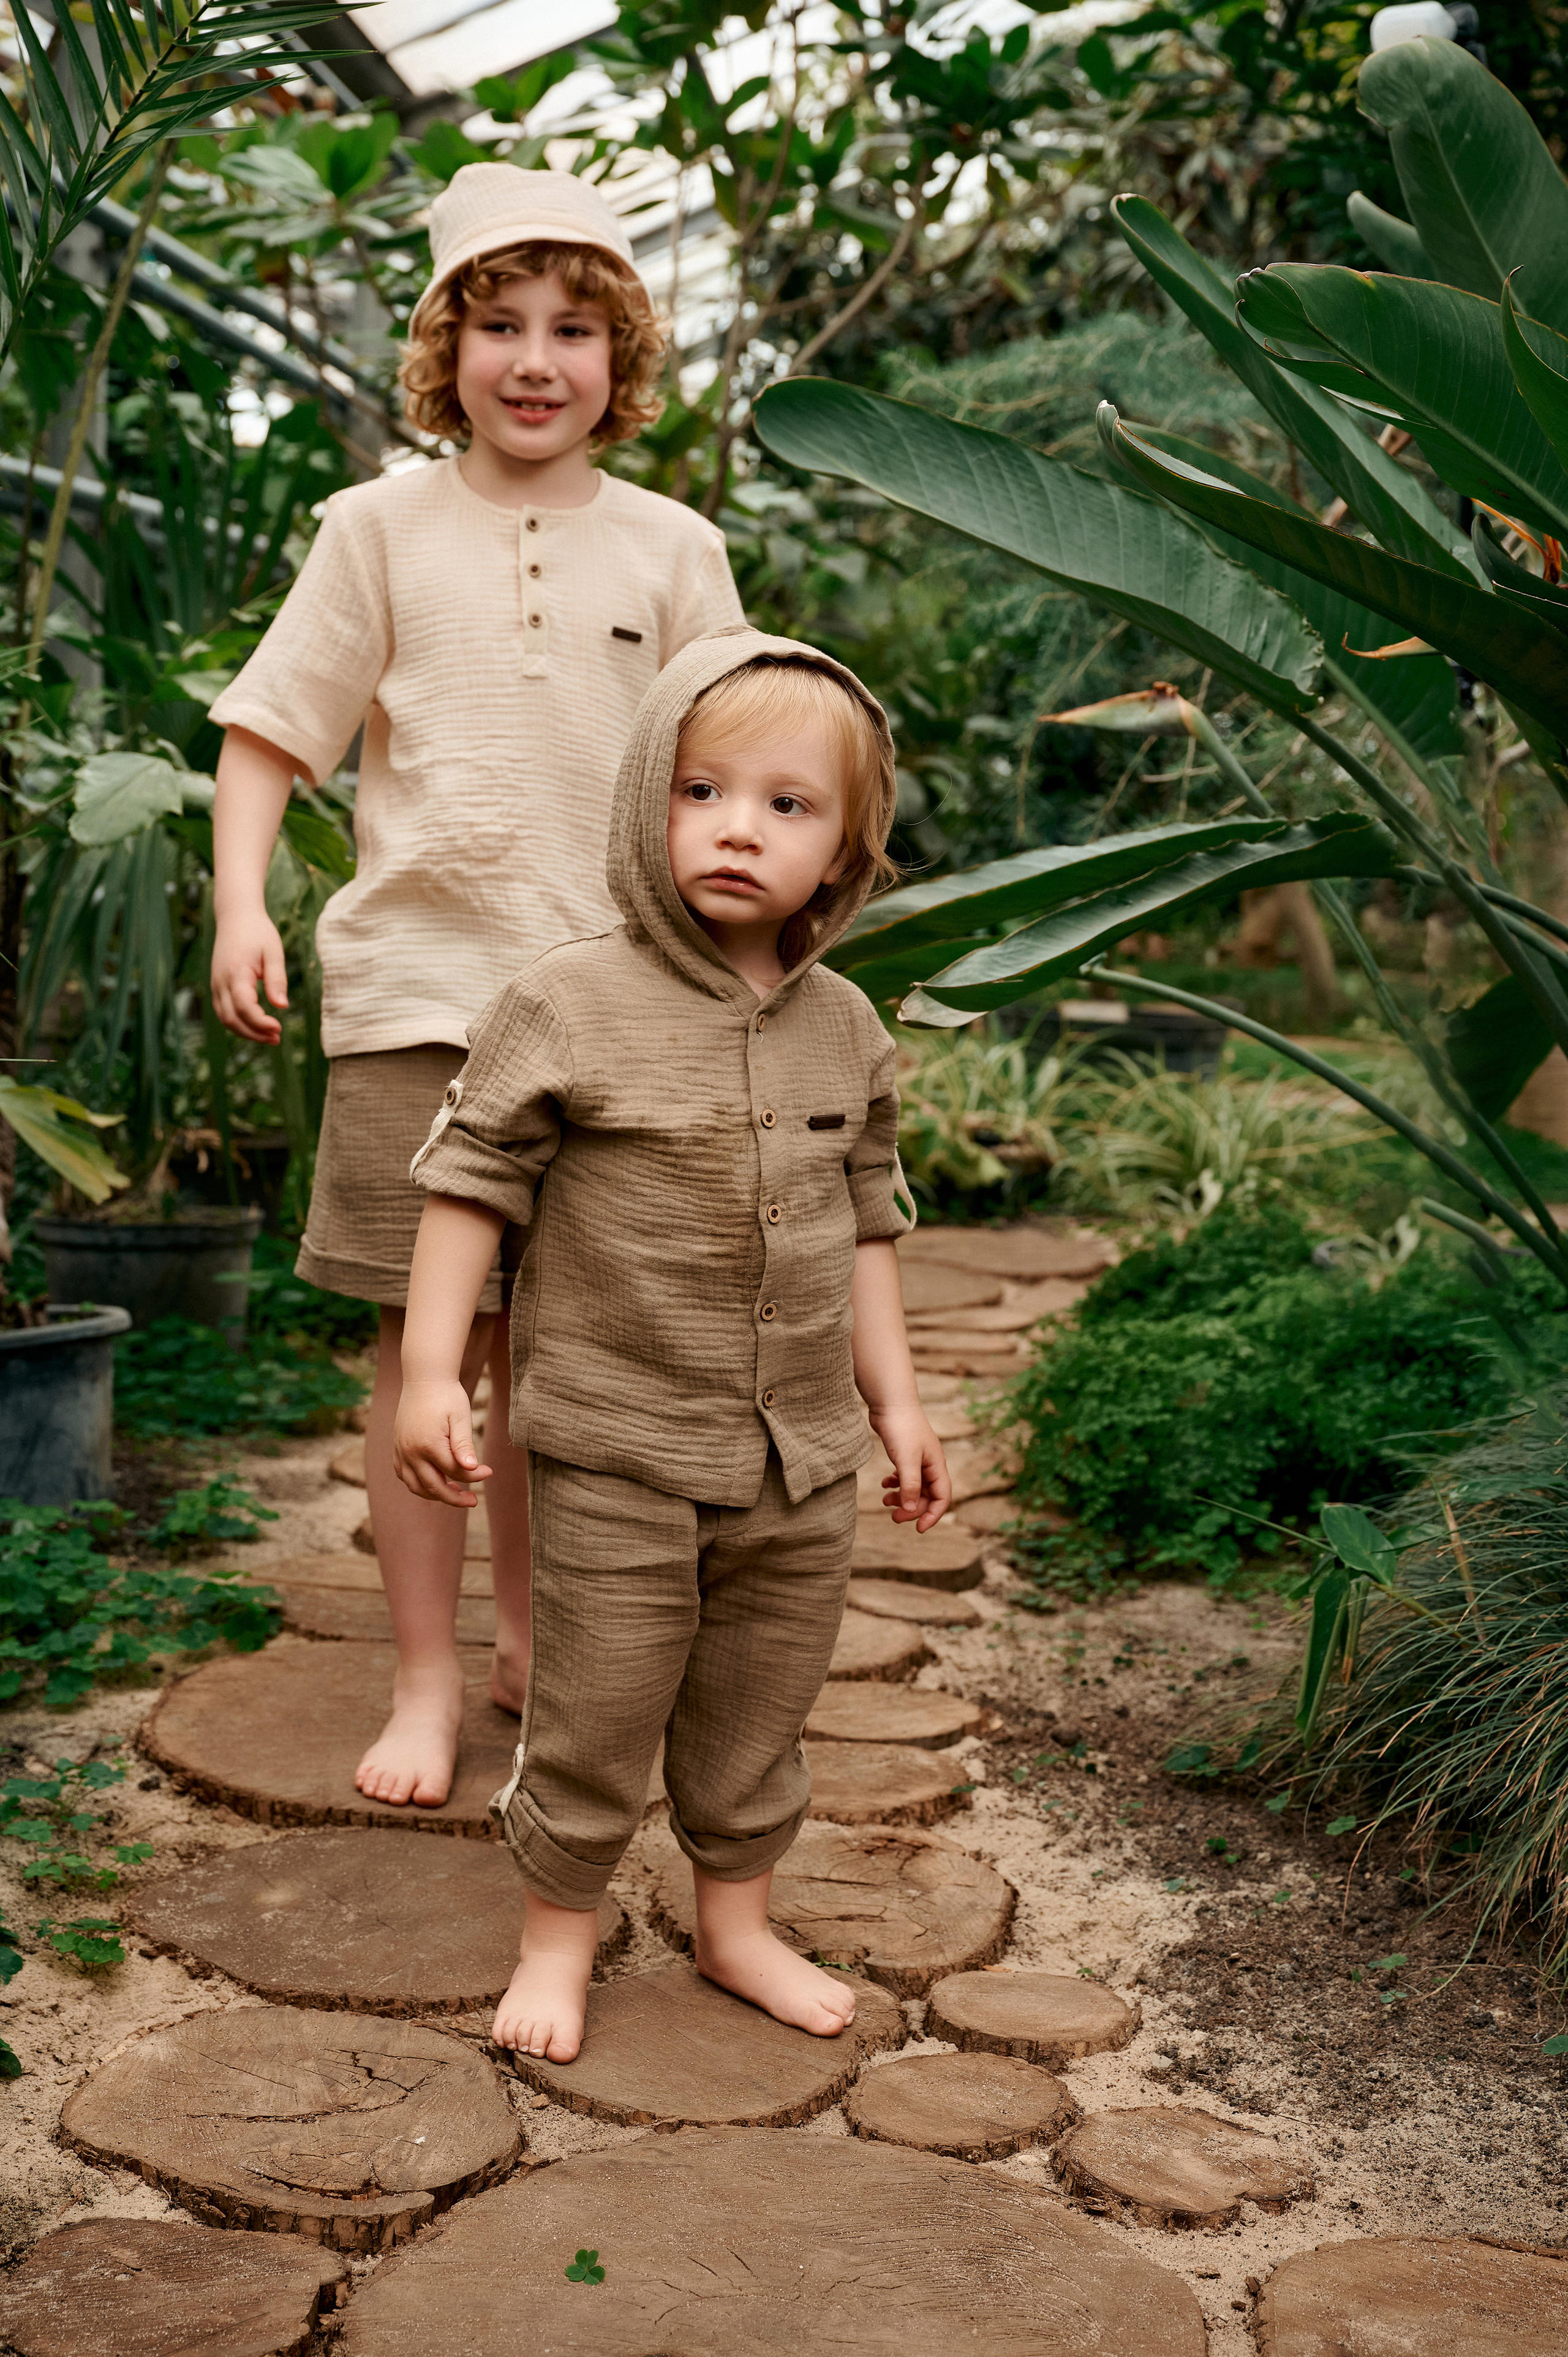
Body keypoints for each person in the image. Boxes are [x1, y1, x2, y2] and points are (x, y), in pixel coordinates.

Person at [206, 166, 745, 1813]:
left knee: (558, 1362)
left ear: (620, 353)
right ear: (445, 345)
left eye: (574, 328)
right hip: (418, 1003)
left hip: (612, 1012)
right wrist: (241, 904)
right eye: (498, 323)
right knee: (425, 1355)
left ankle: (526, 1639)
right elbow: (269, 733)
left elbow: (731, 759)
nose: (534, 360)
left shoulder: (675, 547)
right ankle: (425, 1678)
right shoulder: (374, 529)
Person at [394, 629, 951, 2062]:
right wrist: (431, 1372)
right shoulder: (563, 1002)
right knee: (597, 1701)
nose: (735, 829)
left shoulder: (847, 1028)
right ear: (644, 798)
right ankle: (556, 1936)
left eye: (785, 804)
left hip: (797, 1459)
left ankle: (734, 1925)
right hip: (619, 1445)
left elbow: (867, 1225)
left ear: (843, 852)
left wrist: (895, 1405)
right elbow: (468, 1187)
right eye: (699, 791)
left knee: (760, 1699)